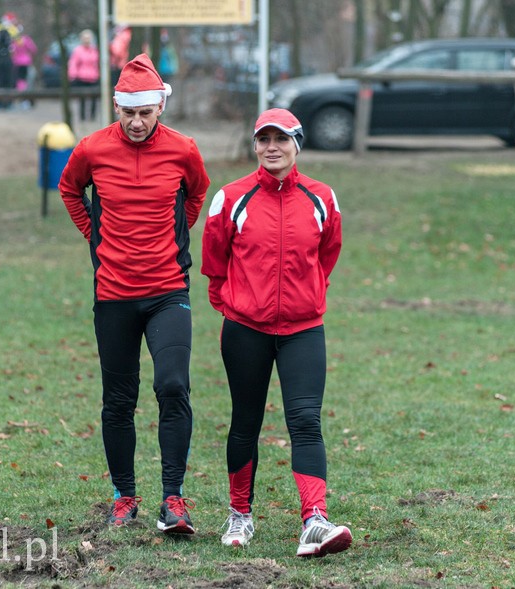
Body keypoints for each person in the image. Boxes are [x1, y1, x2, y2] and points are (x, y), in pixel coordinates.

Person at [58, 53, 210, 534]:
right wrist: (96, 238)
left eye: (146, 112)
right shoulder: (91, 149)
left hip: (168, 290)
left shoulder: (184, 149)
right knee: (119, 399)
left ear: (159, 108)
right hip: (115, 294)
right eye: (129, 113)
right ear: (117, 108)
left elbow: (197, 194)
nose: (138, 122)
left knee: (172, 386)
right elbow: (69, 191)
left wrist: (172, 237)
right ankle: (124, 497)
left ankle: (174, 499)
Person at [201, 108, 351, 557]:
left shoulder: (322, 197)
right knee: (245, 422)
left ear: (296, 144)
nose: (272, 147)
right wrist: (234, 306)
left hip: (304, 330)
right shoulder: (231, 198)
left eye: (281, 139)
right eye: (264, 139)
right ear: (255, 146)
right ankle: (240, 514)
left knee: (306, 422)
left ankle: (314, 522)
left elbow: (328, 254)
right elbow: (214, 262)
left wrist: (307, 296)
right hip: (245, 328)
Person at [68, 29, 100, 121]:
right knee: (82, 99)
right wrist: (72, 75)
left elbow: (98, 62)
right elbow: (73, 63)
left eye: (88, 38)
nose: (87, 40)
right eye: (85, 38)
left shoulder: (95, 50)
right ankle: (82, 117)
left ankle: (92, 116)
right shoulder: (78, 51)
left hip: (93, 77)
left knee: (94, 98)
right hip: (81, 77)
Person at [11, 24, 37, 108]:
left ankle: (22, 98)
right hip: (26, 62)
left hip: (17, 63)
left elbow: (12, 51)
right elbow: (33, 49)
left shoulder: (14, 41)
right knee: (26, 81)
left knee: (20, 81)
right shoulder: (26, 39)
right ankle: (25, 99)